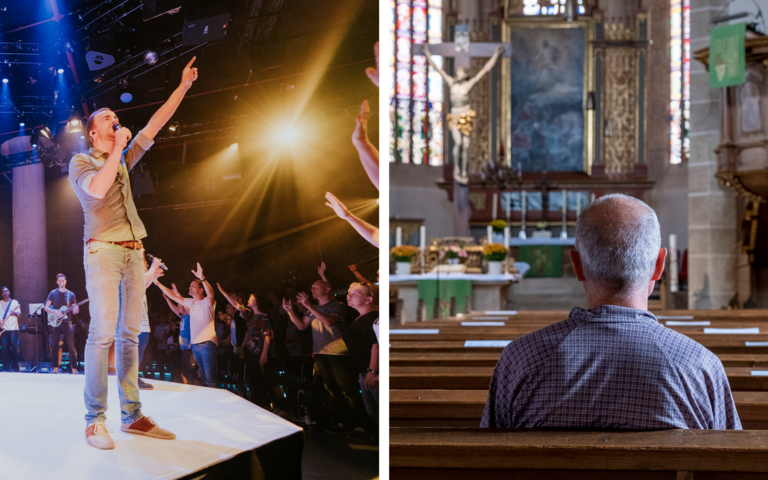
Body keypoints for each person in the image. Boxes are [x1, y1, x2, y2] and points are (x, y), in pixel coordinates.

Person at [481, 194, 741, 430]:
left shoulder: (520, 360)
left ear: (577, 265)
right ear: (659, 266)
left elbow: (487, 460)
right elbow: (732, 465)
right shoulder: (700, 367)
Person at [68, 57, 198, 450]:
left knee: (129, 335)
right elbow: (96, 190)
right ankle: (95, 421)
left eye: (115, 116)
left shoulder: (122, 158)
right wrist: (118, 149)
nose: (114, 119)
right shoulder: (83, 162)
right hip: (103, 250)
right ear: (93, 133)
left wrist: (183, 88)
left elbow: (154, 124)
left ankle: (133, 416)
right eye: (106, 117)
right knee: (102, 332)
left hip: (133, 251)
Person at [283, 281, 367, 434]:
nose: (312, 289)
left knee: (349, 390)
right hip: (321, 353)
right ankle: (343, 421)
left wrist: (309, 306)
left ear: (327, 289)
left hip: (338, 353)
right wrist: (290, 311)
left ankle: (361, 424)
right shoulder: (315, 309)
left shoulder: (337, 306)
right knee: (332, 389)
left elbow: (329, 321)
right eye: (311, 287)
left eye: (315, 287)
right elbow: (302, 326)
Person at [154, 263, 218, 388]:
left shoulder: (207, 302)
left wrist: (202, 278)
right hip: (195, 346)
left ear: (201, 290)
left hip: (207, 344)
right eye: (190, 286)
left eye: (193, 286)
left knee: (211, 379)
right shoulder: (190, 302)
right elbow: (173, 296)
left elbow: (210, 294)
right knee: (204, 378)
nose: (190, 287)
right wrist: (157, 282)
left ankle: (217, 405)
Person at [341, 282, 379, 437]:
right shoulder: (360, 318)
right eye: (348, 292)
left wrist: (372, 370)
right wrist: (363, 372)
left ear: (369, 299)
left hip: (376, 372)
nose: (348, 296)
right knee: (373, 411)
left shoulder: (374, 319)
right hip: (366, 372)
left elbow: (377, 345)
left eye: (354, 293)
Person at [44, 274, 81, 375]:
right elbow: (46, 308)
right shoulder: (53, 293)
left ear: (66, 281)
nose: (61, 282)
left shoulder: (71, 294)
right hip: (56, 323)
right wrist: (55, 312)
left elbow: (74, 310)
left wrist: (76, 310)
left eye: (63, 280)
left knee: (71, 346)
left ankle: (74, 369)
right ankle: (55, 368)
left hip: (67, 323)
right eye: (59, 280)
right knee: (55, 346)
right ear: (57, 282)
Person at [0, 287, 22, 372]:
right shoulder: (0, 303)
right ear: (2, 294)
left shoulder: (14, 302)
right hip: (4, 329)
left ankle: (15, 367)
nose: (5, 292)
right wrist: (2, 322)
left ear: (9, 292)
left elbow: (19, 314)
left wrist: (14, 313)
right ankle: (6, 367)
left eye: (7, 291)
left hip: (14, 329)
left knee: (14, 347)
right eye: (3, 292)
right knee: (4, 348)